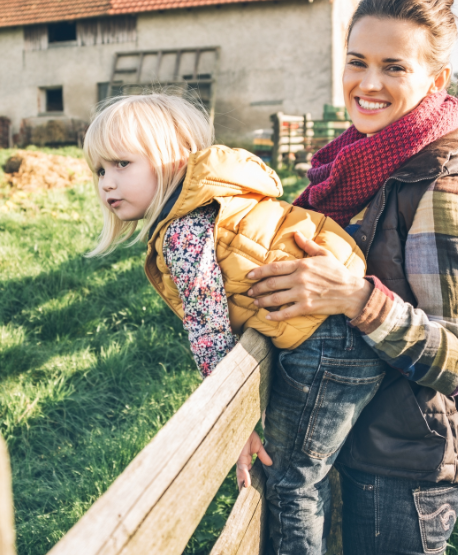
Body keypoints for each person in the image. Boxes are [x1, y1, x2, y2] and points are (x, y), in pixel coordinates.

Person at [245, 0, 458, 554]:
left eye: (394, 67)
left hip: (408, 465)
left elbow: (457, 362)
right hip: (358, 438)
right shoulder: (357, 171)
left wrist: (354, 297)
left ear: (436, 80)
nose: (368, 84)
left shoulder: (443, 191)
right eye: (357, 62)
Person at [82, 92, 387, 553]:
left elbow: (208, 326)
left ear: (173, 158)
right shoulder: (227, 196)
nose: (107, 183)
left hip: (325, 344)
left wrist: (233, 419)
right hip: (344, 335)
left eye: (122, 164)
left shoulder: (183, 230)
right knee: (308, 472)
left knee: (291, 481)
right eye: (100, 170)